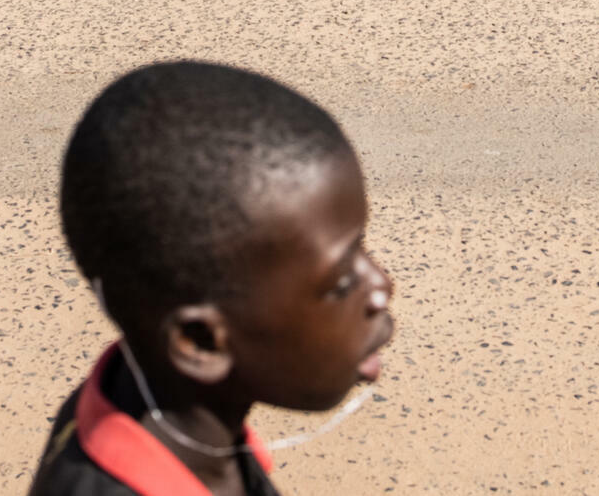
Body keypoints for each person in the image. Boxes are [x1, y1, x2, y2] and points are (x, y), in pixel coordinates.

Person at [31, 61, 394, 496]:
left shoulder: (135, 400)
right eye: (339, 284)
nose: (380, 285)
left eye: (363, 249)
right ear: (201, 342)